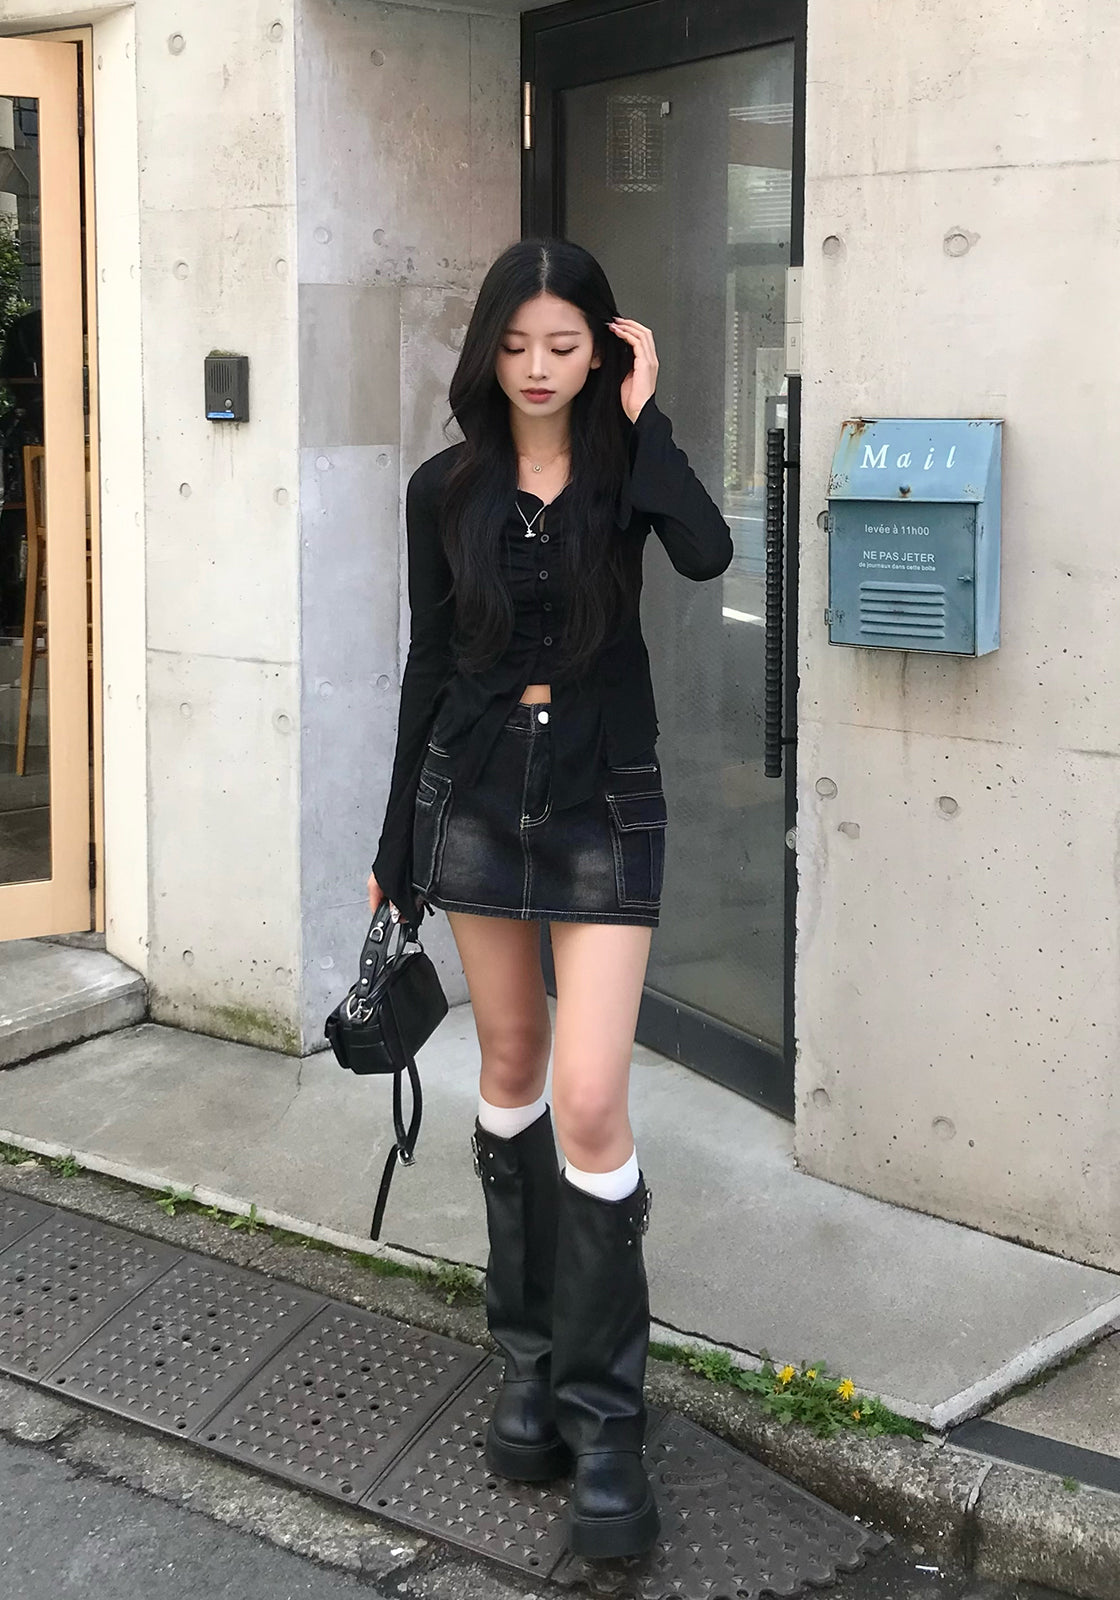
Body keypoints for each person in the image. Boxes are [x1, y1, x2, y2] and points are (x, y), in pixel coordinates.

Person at [367, 237, 732, 1558]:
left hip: (601, 799)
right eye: (517, 346)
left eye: (563, 346)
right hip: (471, 796)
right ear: (488, 350)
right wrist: (394, 844)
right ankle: (527, 1362)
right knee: (511, 1063)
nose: (536, 368)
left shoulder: (627, 471)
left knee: (588, 1097)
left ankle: (606, 1420)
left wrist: (649, 413)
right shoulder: (443, 488)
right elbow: (426, 663)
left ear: (601, 348)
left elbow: (710, 552)